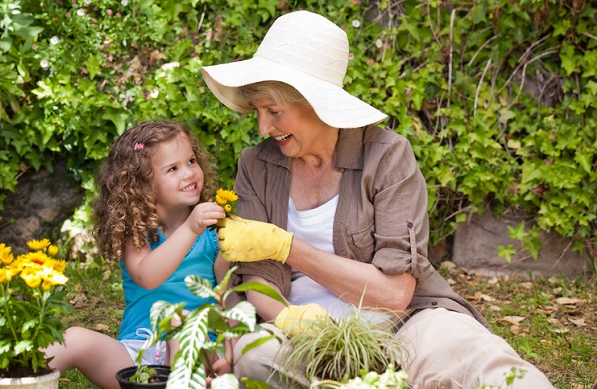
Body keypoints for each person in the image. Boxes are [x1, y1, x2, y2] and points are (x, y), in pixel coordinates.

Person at [200, 10, 554, 389]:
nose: (262, 127)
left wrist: (289, 247)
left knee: (488, 368)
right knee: (256, 357)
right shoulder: (257, 165)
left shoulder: (387, 156)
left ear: (316, 103)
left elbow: (394, 293)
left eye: (274, 112)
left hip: (404, 322)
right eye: (257, 112)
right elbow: (258, 282)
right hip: (300, 330)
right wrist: (299, 324)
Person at [43, 121, 230, 388]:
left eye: (191, 161)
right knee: (72, 339)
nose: (189, 173)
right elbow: (147, 276)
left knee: (180, 323)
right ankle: (15, 380)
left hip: (195, 352)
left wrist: (230, 352)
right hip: (134, 357)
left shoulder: (214, 233)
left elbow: (230, 296)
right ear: (143, 184)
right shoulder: (137, 231)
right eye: (173, 169)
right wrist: (190, 229)